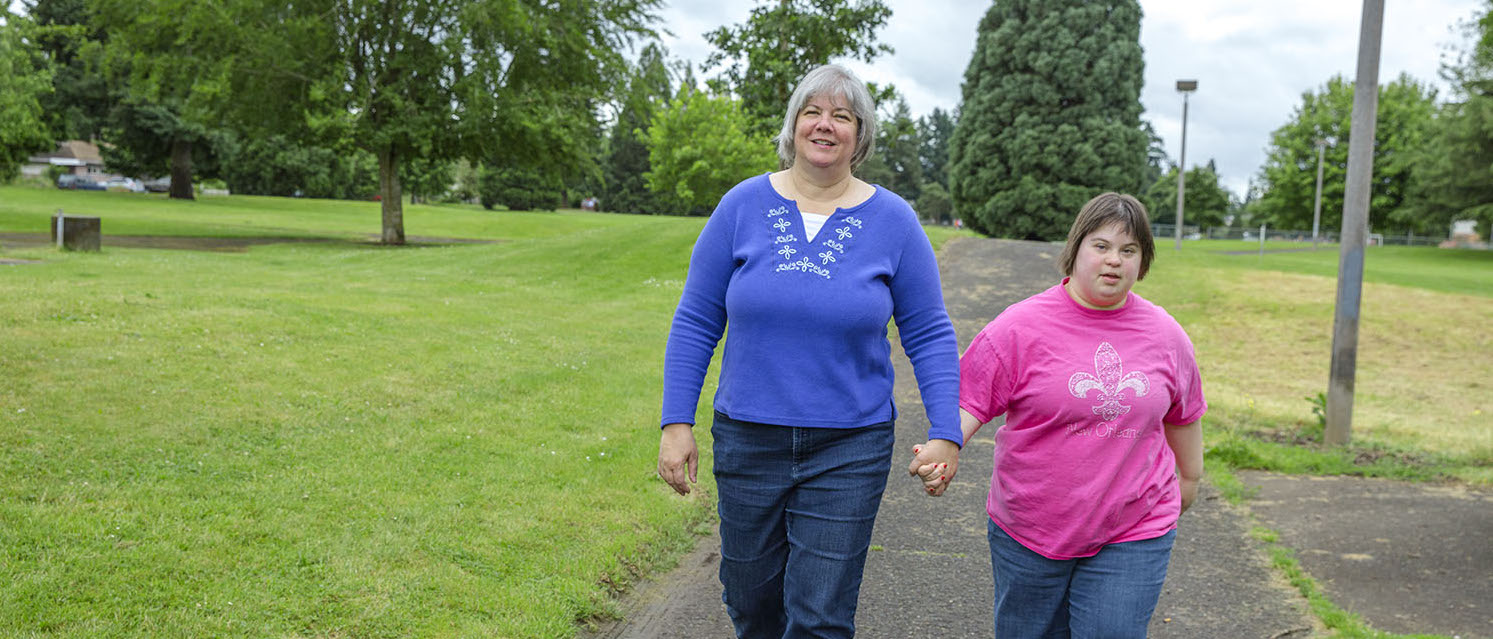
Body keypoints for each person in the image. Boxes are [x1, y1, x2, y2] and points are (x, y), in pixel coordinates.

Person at [656, 64, 962, 638]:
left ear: (860, 134)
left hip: (850, 446)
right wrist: (677, 422)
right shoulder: (741, 206)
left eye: (842, 116)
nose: (825, 125)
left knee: (819, 615)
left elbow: (929, 332)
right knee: (751, 602)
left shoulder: (894, 221)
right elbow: (697, 318)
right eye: (812, 112)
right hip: (748, 438)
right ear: (794, 125)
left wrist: (947, 430)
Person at [933, 192, 1205, 639]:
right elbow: (971, 399)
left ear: (1143, 261)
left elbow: (1184, 415)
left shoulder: (1166, 335)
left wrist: (1187, 484)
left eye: (1129, 250)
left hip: (1134, 527)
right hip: (1029, 527)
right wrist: (946, 445)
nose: (1114, 261)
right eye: (1101, 246)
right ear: (1075, 249)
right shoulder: (1021, 325)